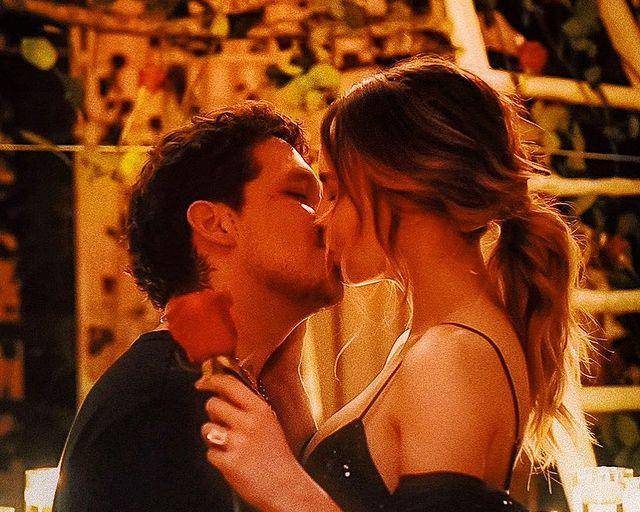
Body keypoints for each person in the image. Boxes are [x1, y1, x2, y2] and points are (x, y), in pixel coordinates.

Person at [196, 56, 593, 511]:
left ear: (401, 185)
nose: (321, 218)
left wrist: (284, 487)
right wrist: (285, 385)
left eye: (334, 191)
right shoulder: (431, 339)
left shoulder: (451, 357)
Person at [52, 102, 343, 512]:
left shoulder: (216, 389)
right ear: (215, 223)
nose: (326, 219)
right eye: (300, 195)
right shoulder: (162, 404)